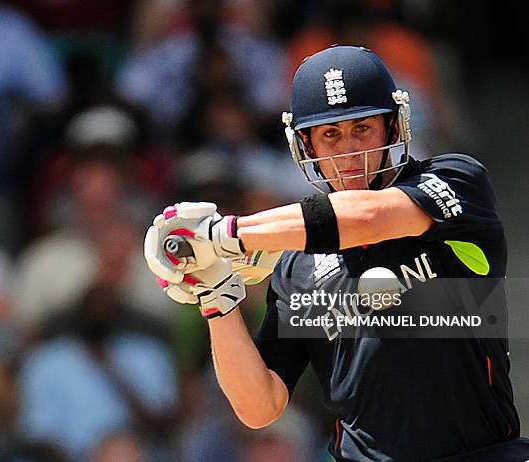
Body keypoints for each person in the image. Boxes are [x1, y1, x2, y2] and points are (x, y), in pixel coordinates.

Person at [144, 45, 529, 461]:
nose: (348, 152)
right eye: (330, 135)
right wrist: (215, 297)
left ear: (393, 129)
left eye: (362, 128)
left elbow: (364, 217)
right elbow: (259, 407)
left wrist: (225, 233)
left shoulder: (456, 181)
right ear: (305, 145)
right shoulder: (296, 265)